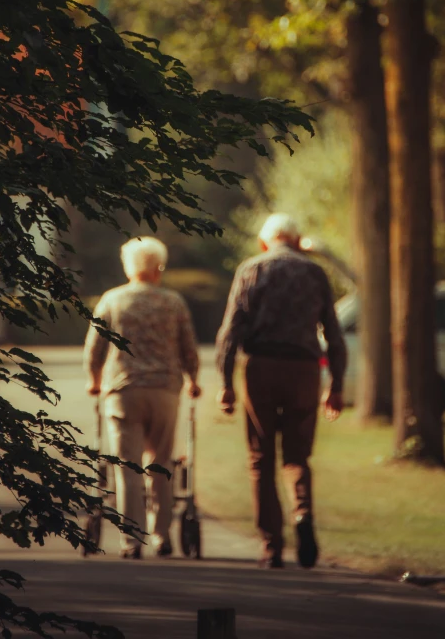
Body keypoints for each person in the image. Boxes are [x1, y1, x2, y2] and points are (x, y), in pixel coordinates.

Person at [215, 214, 346, 570]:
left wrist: (226, 384)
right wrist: (335, 387)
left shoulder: (251, 269)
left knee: (261, 458)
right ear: (298, 239)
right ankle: (302, 515)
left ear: (264, 242)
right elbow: (334, 335)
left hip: (262, 368)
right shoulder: (315, 272)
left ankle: (271, 546)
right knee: (297, 456)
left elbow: (230, 332)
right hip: (304, 370)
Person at [84, 236, 201, 560]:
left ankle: (131, 541)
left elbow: (94, 349)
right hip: (164, 390)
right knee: (162, 464)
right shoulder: (173, 302)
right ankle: (162, 537)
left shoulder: (113, 299)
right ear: (158, 268)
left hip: (123, 392)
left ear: (129, 267)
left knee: (127, 469)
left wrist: (94, 381)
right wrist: (193, 380)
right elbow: (188, 348)